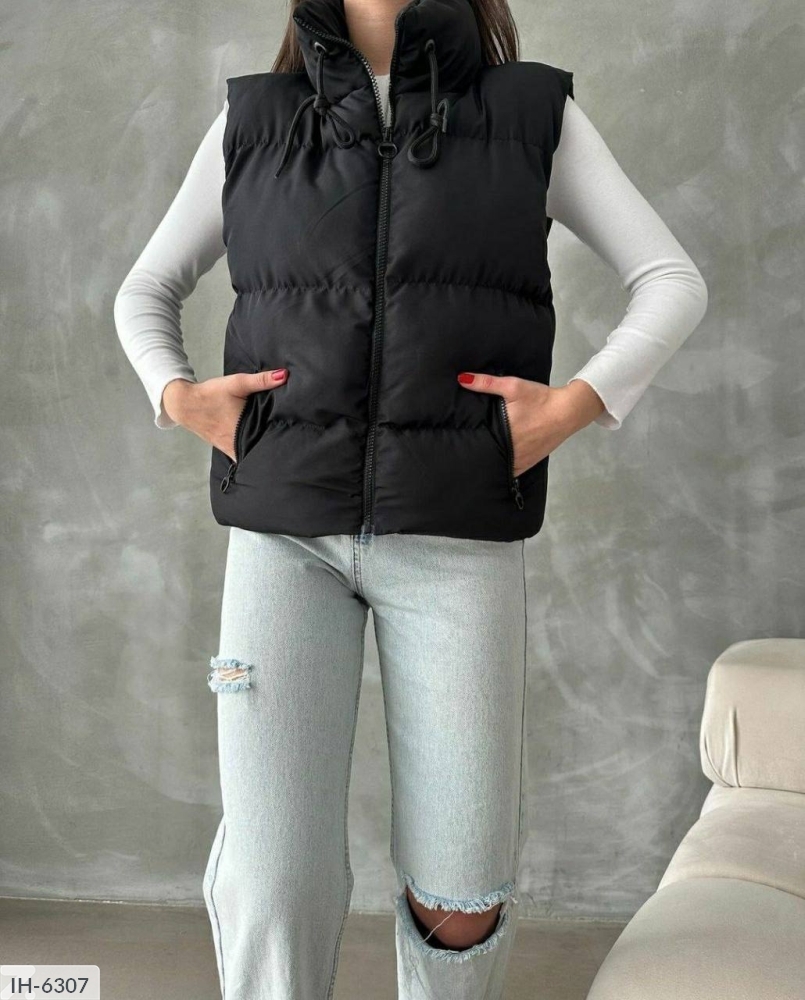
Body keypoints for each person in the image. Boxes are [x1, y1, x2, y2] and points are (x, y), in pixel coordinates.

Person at [114, 0, 708, 997]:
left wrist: (567, 410)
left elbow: (670, 279)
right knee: (275, 878)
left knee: (462, 891)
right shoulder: (257, 120)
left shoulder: (530, 114)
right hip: (284, 539)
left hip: (457, 538)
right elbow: (145, 289)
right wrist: (179, 397)